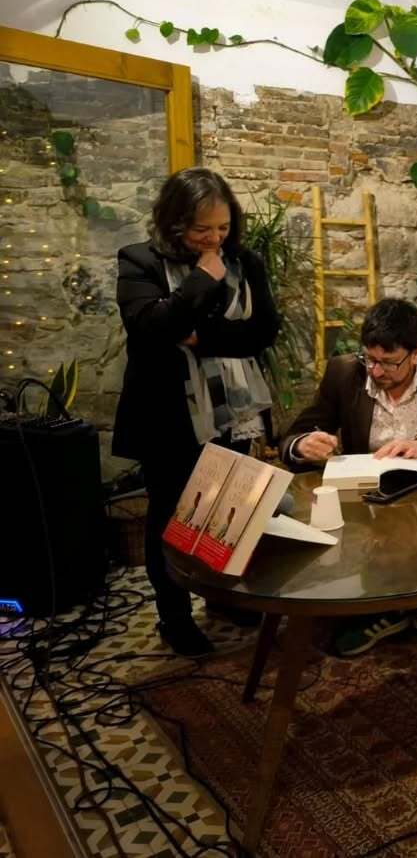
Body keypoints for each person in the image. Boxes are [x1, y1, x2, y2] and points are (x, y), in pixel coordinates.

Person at [114, 167, 279, 657]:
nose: (214, 239)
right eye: (202, 229)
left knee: (228, 508)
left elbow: (263, 331)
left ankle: (222, 596)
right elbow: (148, 327)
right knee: (171, 516)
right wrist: (200, 283)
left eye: (223, 228)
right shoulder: (138, 261)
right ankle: (175, 616)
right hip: (169, 413)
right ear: (174, 222)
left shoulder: (245, 261)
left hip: (234, 408)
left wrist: (198, 337)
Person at [281, 298, 417, 656]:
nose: (376, 371)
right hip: (368, 501)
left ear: (416, 353)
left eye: (389, 363)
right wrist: (303, 445)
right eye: (370, 359)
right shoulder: (345, 373)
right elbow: (293, 435)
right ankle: (381, 607)